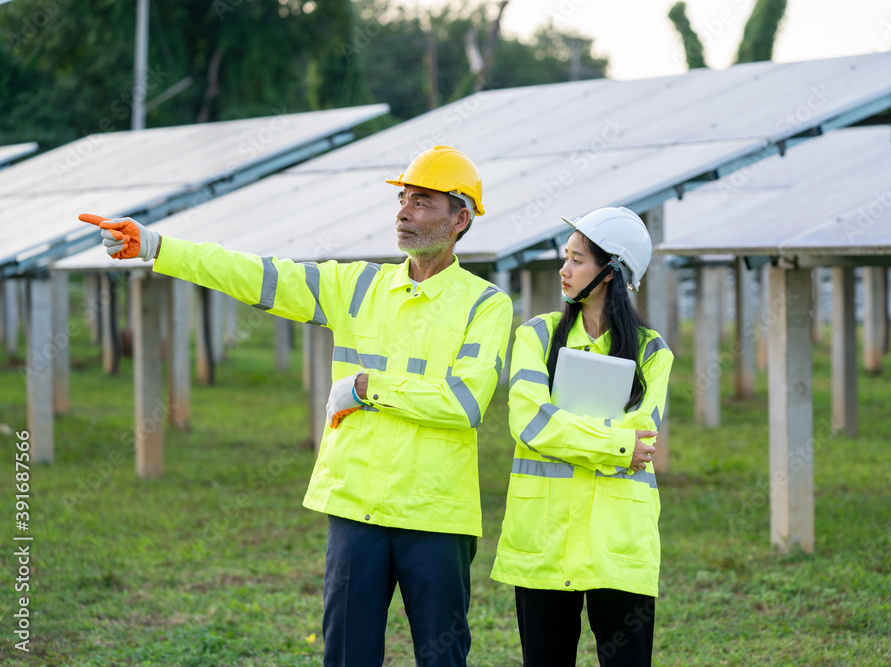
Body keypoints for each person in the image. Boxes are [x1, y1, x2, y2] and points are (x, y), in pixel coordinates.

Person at [82, 145, 513, 667]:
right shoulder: (357, 286)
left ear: (459, 218)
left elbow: (464, 404)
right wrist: (157, 245)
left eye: (422, 202)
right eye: (402, 199)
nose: (403, 212)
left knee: (442, 658)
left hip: (436, 515)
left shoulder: (486, 304)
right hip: (356, 510)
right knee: (346, 655)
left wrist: (364, 386)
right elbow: (259, 276)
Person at [490, 207, 673, 667]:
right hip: (544, 541)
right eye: (565, 256)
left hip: (619, 543)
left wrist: (567, 428)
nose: (563, 269)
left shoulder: (652, 352)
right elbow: (530, 423)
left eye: (576, 259)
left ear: (610, 272)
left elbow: (642, 435)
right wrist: (615, 445)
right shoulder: (536, 336)